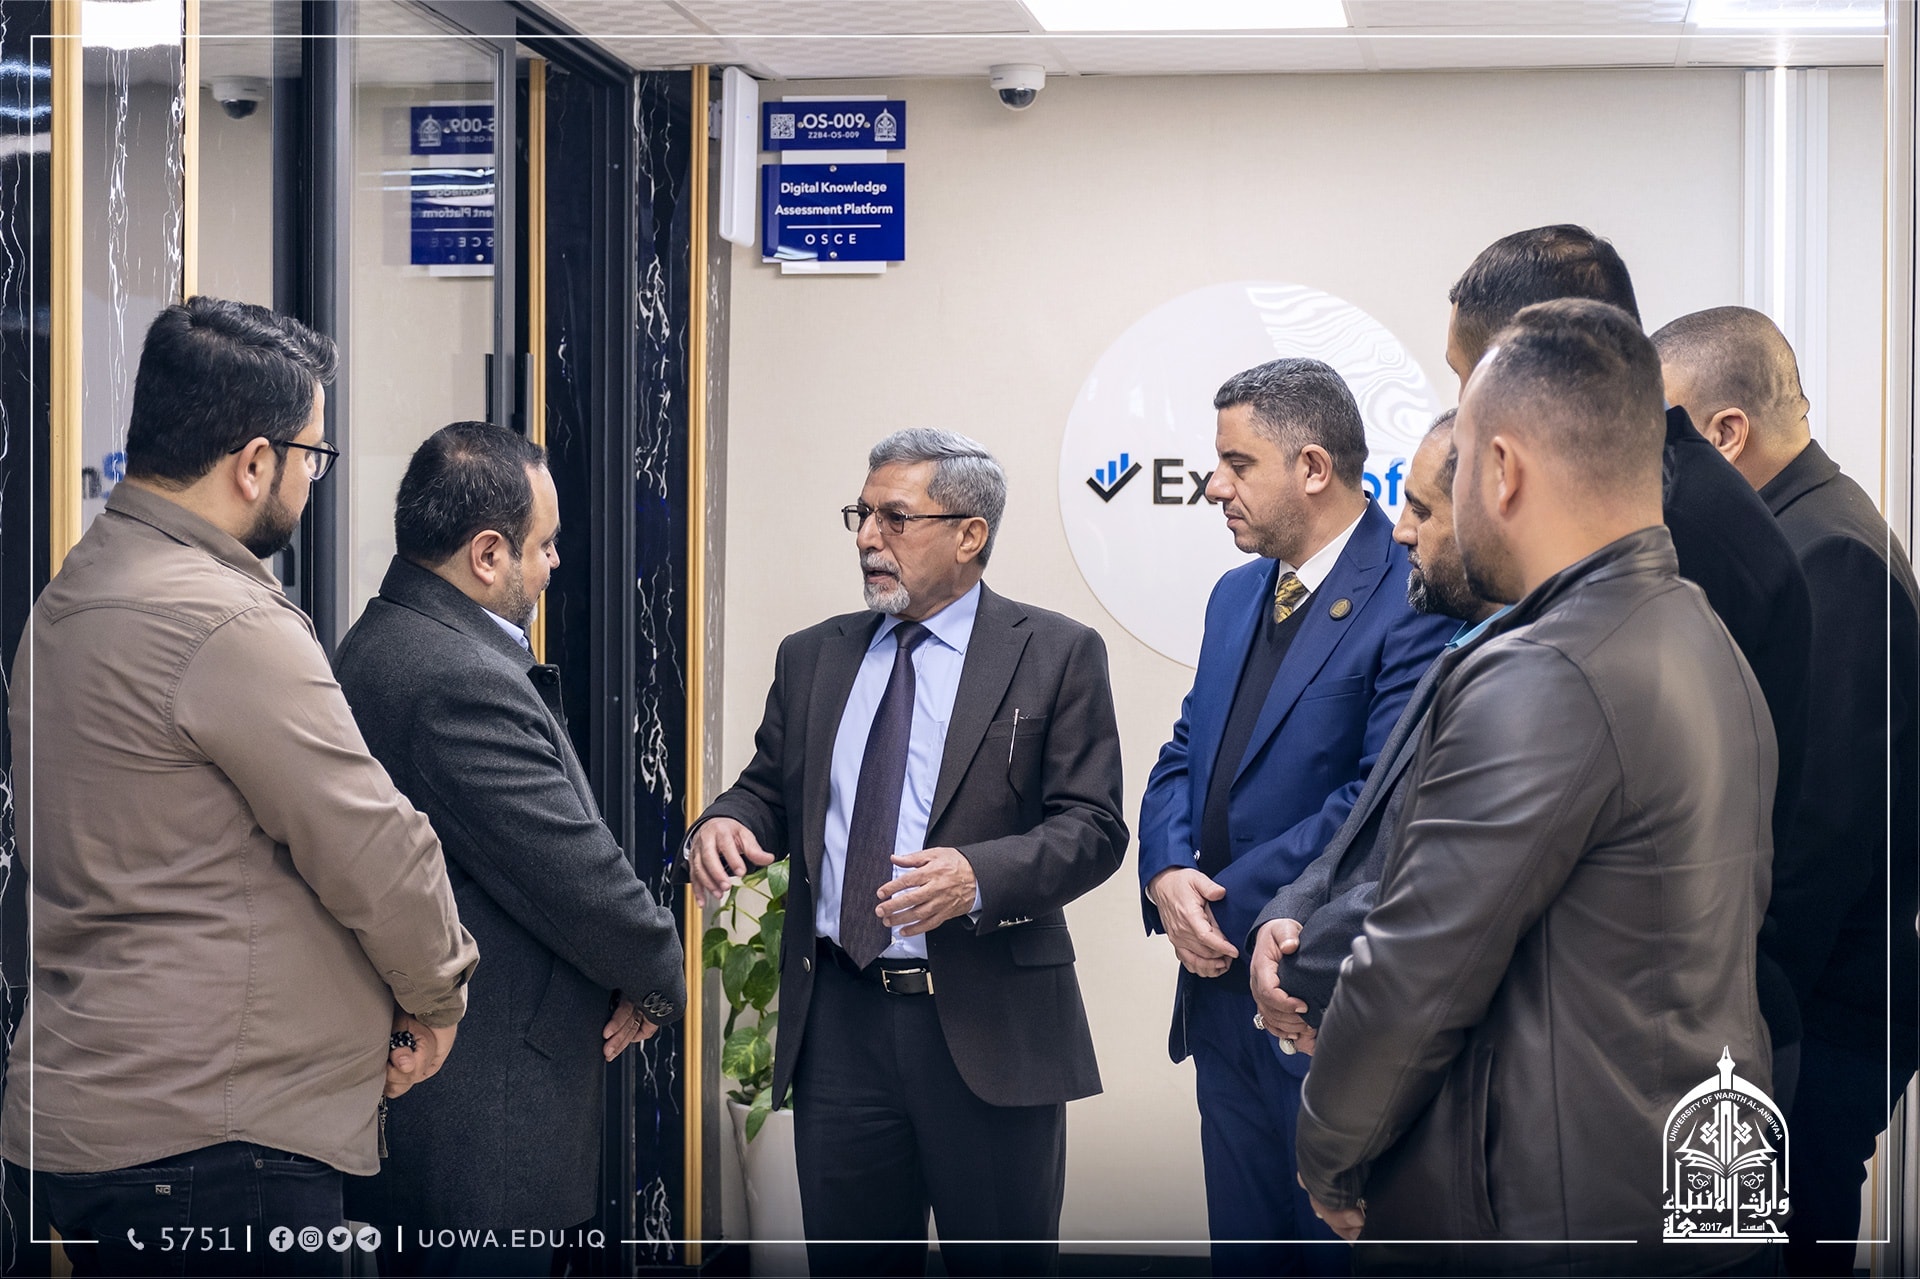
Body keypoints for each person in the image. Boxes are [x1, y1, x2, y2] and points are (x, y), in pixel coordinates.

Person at [1296, 298, 1778, 1277]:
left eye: (1463, 460)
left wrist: (1329, 1156)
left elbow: (1415, 973)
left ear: (1504, 470)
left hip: (1553, 1215)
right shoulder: (1700, 632)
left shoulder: (1548, 671)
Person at [0, 297, 477, 1278]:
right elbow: (372, 845)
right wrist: (438, 992)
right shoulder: (223, 621)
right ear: (254, 463)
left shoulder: (71, 597)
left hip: (98, 1114)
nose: (310, 479)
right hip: (217, 1143)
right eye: (312, 456)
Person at [686, 429, 1127, 1277]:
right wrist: (722, 822)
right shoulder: (813, 655)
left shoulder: (1056, 651)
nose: (866, 537)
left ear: (970, 534)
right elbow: (768, 789)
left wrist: (977, 876)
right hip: (839, 1024)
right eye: (861, 514)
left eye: (894, 517)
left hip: (987, 1023)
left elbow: (1093, 826)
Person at [1445, 225, 1813, 1100]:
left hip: (1649, 1047)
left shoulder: (1675, 534)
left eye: (1468, 379)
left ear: (1536, 360)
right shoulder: (1670, 503)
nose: (1462, 412)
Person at [334, 422, 685, 1278]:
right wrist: (659, 976)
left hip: (448, 1108)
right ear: (488, 554)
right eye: (546, 544)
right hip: (482, 1124)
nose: (556, 562)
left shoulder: (385, 637)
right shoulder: (455, 679)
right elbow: (573, 875)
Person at [1137, 359, 1453, 1276]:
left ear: (1313, 467)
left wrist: (1217, 903)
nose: (1214, 485)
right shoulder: (1236, 594)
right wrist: (1167, 874)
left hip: (1321, 993)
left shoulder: (1413, 591)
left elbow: (1376, 800)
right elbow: (1185, 753)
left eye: (1237, 463)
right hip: (1217, 996)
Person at [1654, 306, 1920, 1277]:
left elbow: (1812, 839)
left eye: (1668, 439)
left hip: (1806, 1022)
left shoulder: (1828, 552)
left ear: (1728, 432)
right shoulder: (1790, 537)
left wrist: (1722, 1024)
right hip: (1778, 1012)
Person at [1246, 410, 1503, 1052]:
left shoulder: (1525, 672)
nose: (1402, 530)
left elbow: (1436, 885)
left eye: (1423, 509)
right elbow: (1371, 824)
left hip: (1400, 1022)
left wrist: (1293, 959)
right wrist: (1285, 907)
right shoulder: (1464, 648)